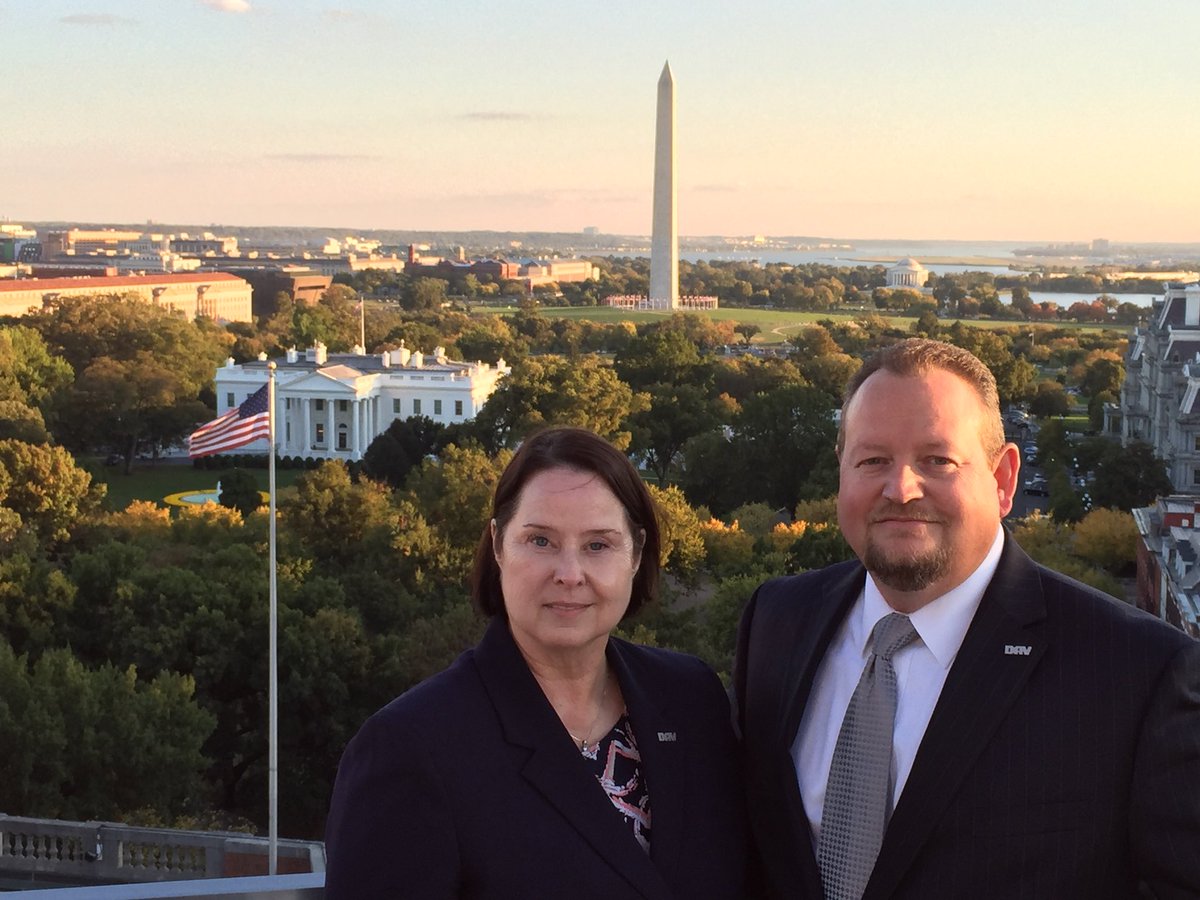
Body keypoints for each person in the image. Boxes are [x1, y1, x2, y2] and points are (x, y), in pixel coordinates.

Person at [734, 338, 1200, 899]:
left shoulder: (1138, 674)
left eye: (937, 460)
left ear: (1003, 480)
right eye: (873, 460)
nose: (901, 489)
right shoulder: (776, 620)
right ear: (842, 473)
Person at [326, 426, 748, 899]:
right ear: (499, 544)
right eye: (541, 541)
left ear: (635, 555)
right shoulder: (410, 748)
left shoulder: (691, 699)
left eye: (598, 545)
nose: (569, 574)